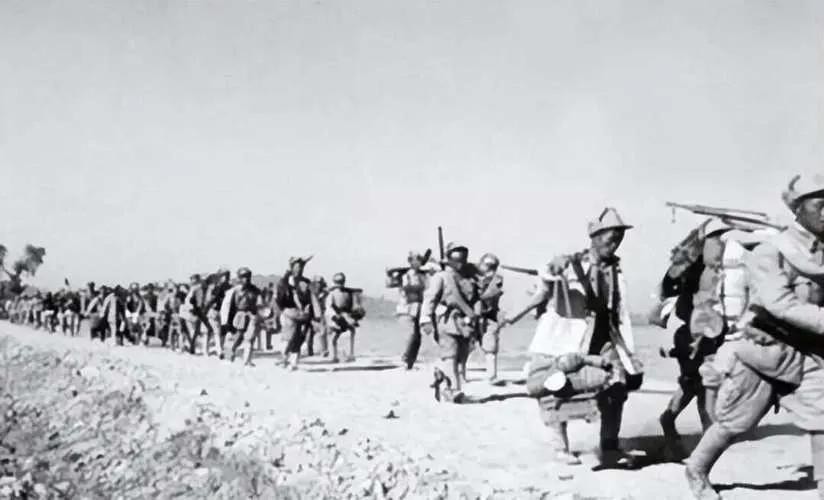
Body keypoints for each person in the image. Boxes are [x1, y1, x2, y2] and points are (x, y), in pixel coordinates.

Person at [685, 174, 824, 500]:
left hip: (808, 352)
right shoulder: (770, 251)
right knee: (736, 422)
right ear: (798, 209)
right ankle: (696, 468)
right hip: (764, 351)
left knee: (823, 417)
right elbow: (780, 303)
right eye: (820, 205)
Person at [503, 207, 642, 468]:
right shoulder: (572, 263)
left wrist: (628, 348)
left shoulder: (615, 269)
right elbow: (547, 278)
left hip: (605, 336)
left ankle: (609, 447)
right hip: (568, 336)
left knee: (617, 388)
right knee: (557, 388)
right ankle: (561, 448)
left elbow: (619, 307)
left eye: (619, 239)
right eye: (610, 238)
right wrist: (554, 266)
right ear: (595, 237)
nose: (614, 243)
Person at [656, 219, 732, 459]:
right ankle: (679, 422)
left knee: (702, 383)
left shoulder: (720, 265)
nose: (720, 242)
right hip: (689, 333)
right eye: (716, 237)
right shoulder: (692, 266)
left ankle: (697, 429)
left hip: (711, 332)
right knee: (695, 383)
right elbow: (669, 287)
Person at [420, 242, 480, 403]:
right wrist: (425, 319)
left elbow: (476, 298)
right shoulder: (441, 277)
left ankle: (442, 375)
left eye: (463, 259)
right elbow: (430, 299)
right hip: (447, 320)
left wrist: (476, 316)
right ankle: (452, 390)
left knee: (461, 357)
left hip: (465, 323)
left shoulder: (469, 278)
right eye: (457, 259)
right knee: (450, 354)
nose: (460, 262)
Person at [275, 257, 320, 370]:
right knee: (289, 337)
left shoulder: (306, 282)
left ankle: (293, 363)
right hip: (289, 312)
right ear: (292, 267)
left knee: (299, 338)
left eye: (301, 267)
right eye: (297, 266)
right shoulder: (284, 281)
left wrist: (315, 314)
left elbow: (313, 298)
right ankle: (284, 358)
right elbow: (279, 298)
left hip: (303, 314)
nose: (300, 269)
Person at [387, 251, 430, 370]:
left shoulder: (423, 276)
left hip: (419, 308)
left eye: (420, 259)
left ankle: (410, 361)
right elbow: (390, 284)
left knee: (417, 337)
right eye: (416, 259)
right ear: (410, 261)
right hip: (405, 308)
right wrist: (391, 275)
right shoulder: (403, 275)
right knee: (410, 335)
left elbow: (428, 288)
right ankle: (405, 358)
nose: (418, 262)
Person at [224, 267, 263, 366]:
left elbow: (260, 304)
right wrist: (229, 323)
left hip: (252, 315)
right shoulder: (235, 290)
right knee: (238, 337)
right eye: (244, 277)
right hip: (240, 315)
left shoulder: (255, 290)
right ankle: (229, 354)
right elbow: (231, 306)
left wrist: (258, 312)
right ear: (240, 278)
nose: (246, 279)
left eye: (248, 276)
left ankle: (247, 360)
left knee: (250, 338)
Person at [476, 253, 505, 384]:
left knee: (490, 346)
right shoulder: (475, 278)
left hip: (489, 316)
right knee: (465, 345)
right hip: (473, 315)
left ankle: (492, 376)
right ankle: (460, 374)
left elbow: (490, 295)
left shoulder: (497, 280)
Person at [325, 273, 365, 362]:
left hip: (346, 316)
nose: (340, 283)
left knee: (350, 332)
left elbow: (355, 305)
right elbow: (329, 306)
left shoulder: (348, 293)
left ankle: (349, 354)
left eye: (341, 281)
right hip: (337, 316)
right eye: (338, 281)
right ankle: (334, 356)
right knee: (335, 336)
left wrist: (356, 312)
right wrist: (334, 316)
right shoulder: (332, 294)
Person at [183, 273, 212, 355]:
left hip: (196, 311)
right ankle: (192, 347)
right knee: (194, 331)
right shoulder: (197, 288)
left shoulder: (199, 288)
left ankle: (192, 347)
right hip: (195, 310)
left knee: (195, 331)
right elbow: (190, 300)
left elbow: (192, 300)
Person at [205, 269, 231, 358]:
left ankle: (217, 350)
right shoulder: (230, 287)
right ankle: (219, 350)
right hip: (221, 312)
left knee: (216, 332)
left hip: (216, 311)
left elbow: (211, 300)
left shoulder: (218, 287)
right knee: (220, 332)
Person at [306, 276, 329, 357]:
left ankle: (320, 350)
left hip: (316, 314)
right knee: (317, 332)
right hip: (313, 314)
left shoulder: (322, 293)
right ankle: (320, 350)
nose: (319, 285)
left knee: (315, 332)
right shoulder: (311, 293)